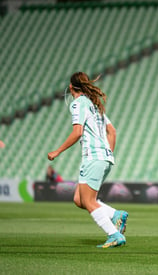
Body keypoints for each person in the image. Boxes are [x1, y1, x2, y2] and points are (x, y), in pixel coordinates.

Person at [47, 72, 128, 248]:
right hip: (104, 157)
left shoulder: (78, 104)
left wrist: (58, 151)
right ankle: (116, 215)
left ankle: (114, 235)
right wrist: (107, 153)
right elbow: (112, 131)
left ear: (70, 87)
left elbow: (77, 132)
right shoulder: (95, 104)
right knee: (79, 199)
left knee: (89, 201)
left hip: (93, 157)